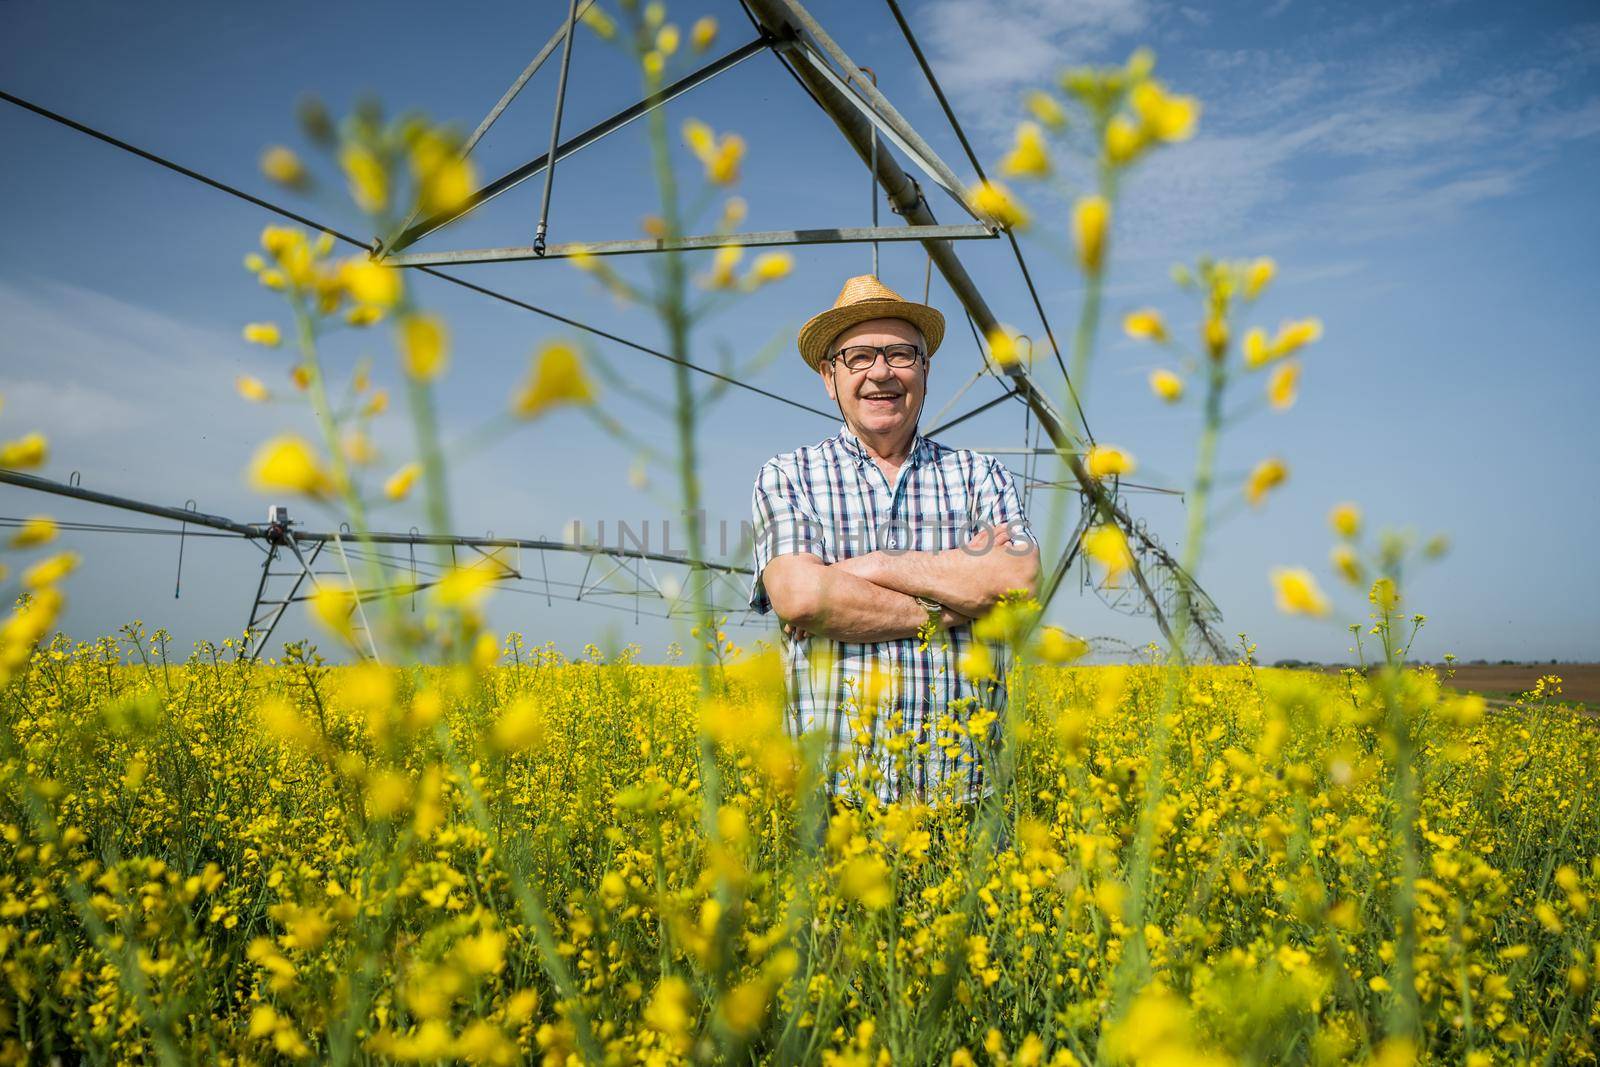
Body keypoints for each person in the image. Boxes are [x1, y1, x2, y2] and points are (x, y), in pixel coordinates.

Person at [749, 274, 1039, 807]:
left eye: (901, 354)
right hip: (833, 798)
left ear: (925, 371)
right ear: (829, 377)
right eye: (858, 357)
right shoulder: (788, 475)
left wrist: (871, 566)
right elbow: (803, 598)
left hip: (965, 795)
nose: (880, 372)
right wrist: (954, 601)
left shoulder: (981, 474)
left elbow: (1014, 581)